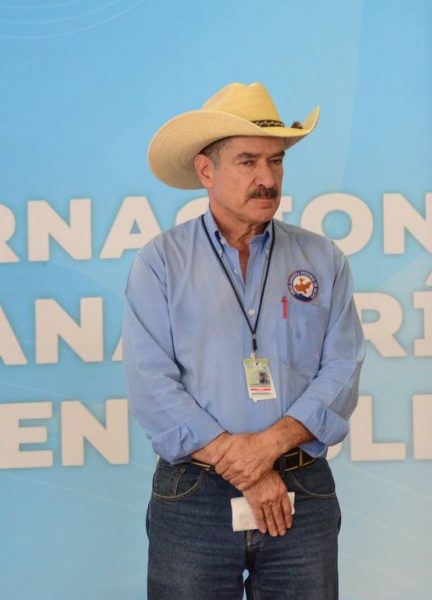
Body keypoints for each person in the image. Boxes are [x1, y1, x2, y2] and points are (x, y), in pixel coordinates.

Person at [124, 82, 364, 599]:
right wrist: (246, 467)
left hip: (302, 487)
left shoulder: (323, 259)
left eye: (276, 162)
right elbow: (150, 382)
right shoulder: (162, 261)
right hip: (194, 494)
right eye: (248, 161)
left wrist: (267, 448)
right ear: (206, 171)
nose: (267, 179)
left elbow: (343, 368)